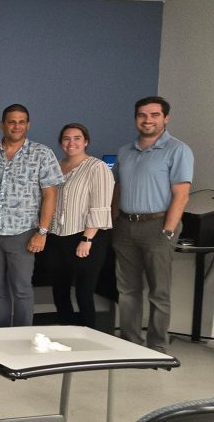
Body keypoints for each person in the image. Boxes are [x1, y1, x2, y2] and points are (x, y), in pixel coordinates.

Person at [112, 96, 193, 352]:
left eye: (154, 115)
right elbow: (118, 188)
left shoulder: (178, 150)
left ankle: (157, 347)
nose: (148, 120)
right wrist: (113, 220)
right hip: (125, 226)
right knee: (127, 290)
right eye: (142, 115)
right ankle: (130, 344)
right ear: (136, 118)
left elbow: (181, 193)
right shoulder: (125, 151)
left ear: (165, 118)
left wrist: (169, 230)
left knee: (159, 292)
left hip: (158, 226)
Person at [0, 104, 63, 328]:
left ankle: (22, 338)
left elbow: (50, 195)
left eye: (21, 121)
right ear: (2, 124)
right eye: (11, 121)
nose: (16, 126)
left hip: (23, 233)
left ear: (28, 125)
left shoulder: (42, 153)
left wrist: (42, 232)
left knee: (22, 289)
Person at [48, 123, 114, 329]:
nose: (71, 142)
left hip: (86, 237)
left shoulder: (97, 167)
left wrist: (87, 239)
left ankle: (89, 337)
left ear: (86, 141)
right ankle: (66, 332)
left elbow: (101, 205)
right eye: (66, 138)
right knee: (59, 290)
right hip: (57, 236)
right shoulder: (56, 167)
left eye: (77, 138)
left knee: (84, 292)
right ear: (61, 143)